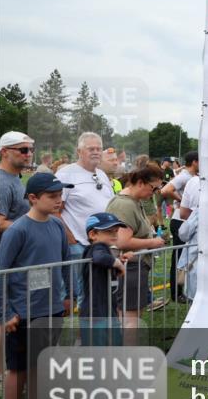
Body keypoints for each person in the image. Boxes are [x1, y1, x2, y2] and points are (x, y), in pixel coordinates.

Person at [0, 173, 72, 399]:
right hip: (22, 312)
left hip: (50, 309)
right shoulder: (17, 230)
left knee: (40, 365)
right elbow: (1, 272)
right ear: (33, 198)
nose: (58, 201)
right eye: (52, 196)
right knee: (18, 369)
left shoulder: (56, 226)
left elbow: (65, 265)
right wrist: (5, 314)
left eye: (60, 196)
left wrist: (67, 297)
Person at [54, 132, 115, 308]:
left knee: (100, 290)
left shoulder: (102, 175)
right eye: (91, 149)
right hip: (79, 244)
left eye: (99, 148)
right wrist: (70, 239)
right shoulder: (66, 174)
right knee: (84, 294)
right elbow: (56, 210)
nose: (96, 152)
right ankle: (83, 335)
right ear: (80, 151)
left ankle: (98, 331)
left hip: (101, 245)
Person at [106, 164, 166, 342]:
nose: (154, 193)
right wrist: (152, 242)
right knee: (129, 318)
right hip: (129, 267)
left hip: (133, 266)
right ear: (140, 183)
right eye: (153, 188)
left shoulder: (132, 202)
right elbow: (123, 241)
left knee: (132, 316)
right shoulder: (124, 205)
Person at [79, 213, 130, 346]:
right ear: (93, 235)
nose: (114, 234)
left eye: (116, 231)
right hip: (96, 312)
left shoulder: (104, 249)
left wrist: (117, 263)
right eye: (108, 231)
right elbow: (99, 258)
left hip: (106, 309)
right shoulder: (98, 247)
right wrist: (117, 263)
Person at [160, 151, 198, 302]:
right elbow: (165, 190)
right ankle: (176, 293)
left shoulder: (193, 177)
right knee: (179, 258)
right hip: (180, 220)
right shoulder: (184, 176)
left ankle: (185, 290)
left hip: (188, 221)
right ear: (195, 162)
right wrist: (183, 200)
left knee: (187, 257)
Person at [0, 132, 34, 238]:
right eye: (23, 150)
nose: (29, 154)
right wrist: (33, 226)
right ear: (4, 152)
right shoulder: (1, 182)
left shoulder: (13, 176)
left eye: (31, 149)